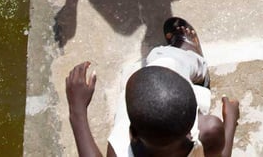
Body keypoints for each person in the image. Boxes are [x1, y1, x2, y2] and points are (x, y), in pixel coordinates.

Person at [66, 18, 239, 157]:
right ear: (193, 124)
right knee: (167, 60)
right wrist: (230, 122)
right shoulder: (209, 132)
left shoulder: (119, 150)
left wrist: (77, 109)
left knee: (155, 64)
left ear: (132, 133)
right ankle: (193, 58)